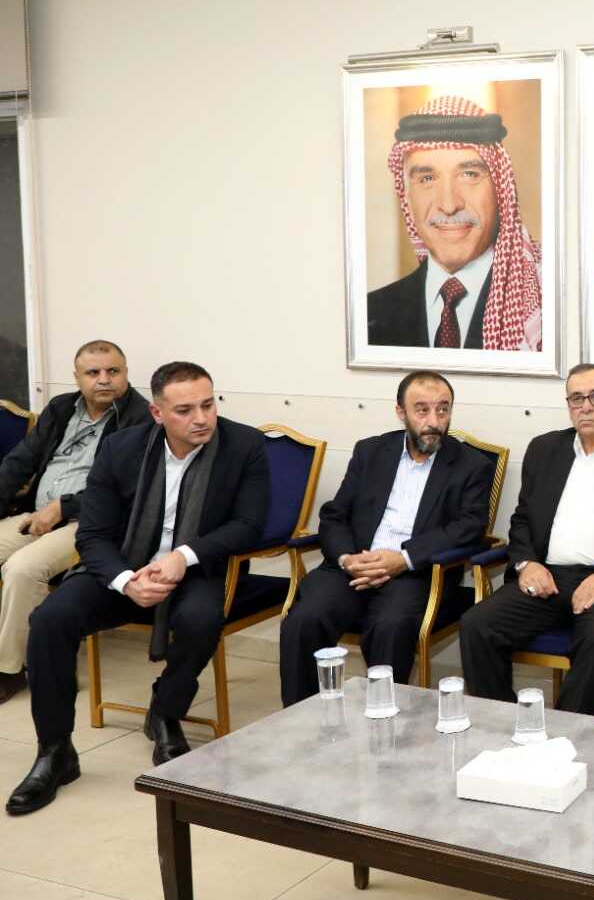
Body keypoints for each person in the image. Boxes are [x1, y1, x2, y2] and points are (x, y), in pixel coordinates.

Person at [6, 362, 269, 815]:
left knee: (201, 618)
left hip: (195, 569)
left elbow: (248, 524)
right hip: (125, 567)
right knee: (50, 620)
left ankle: (166, 711)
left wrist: (182, 556)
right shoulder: (120, 449)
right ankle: (55, 751)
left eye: (208, 405)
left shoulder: (243, 445)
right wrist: (126, 581)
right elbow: (93, 534)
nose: (202, 418)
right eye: (185, 410)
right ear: (157, 413)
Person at [277, 371, 492, 705]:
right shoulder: (371, 451)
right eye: (422, 410)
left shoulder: (471, 464)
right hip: (353, 566)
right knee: (305, 620)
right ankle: (300, 719)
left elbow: (469, 526)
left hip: (414, 573)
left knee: (390, 626)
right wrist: (348, 559)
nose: (434, 421)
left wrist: (403, 559)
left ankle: (384, 718)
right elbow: (334, 514)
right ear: (400, 412)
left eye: (442, 410)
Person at [458, 363, 594, 713]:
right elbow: (521, 520)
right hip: (548, 578)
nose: (586, 406)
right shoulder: (545, 449)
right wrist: (527, 564)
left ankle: (565, 734)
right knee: (477, 625)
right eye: (576, 398)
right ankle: (503, 725)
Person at [0, 340, 149, 703]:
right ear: (77, 377)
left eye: (113, 371)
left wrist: (64, 507)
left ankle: (12, 668)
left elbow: (127, 489)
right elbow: (19, 462)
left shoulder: (141, 418)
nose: (104, 379)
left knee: (23, 568)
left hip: (92, 524)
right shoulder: (61, 408)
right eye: (93, 372)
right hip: (35, 515)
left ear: (126, 374)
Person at [367, 95, 544, 351]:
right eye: (427, 179)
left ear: (500, 190)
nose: (449, 205)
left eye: (469, 175)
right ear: (406, 196)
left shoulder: (544, 301)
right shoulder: (372, 312)